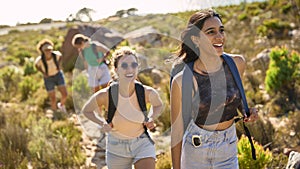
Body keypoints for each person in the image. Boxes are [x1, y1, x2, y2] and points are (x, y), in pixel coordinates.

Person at [170, 9, 259, 169]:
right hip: (196, 149)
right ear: (196, 39)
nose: (220, 37)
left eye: (221, 30)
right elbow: (176, 132)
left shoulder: (237, 64)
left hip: (228, 146)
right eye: (211, 32)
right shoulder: (183, 80)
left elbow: (234, 96)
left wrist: (248, 111)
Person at [81, 46, 163, 169]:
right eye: (124, 66)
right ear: (116, 70)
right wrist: (102, 123)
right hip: (116, 147)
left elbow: (158, 105)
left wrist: (151, 117)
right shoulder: (106, 95)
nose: (130, 69)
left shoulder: (145, 92)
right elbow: (86, 110)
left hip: (142, 143)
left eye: (134, 65)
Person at [35, 39, 68, 113]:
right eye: (46, 50)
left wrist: (59, 65)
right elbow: (36, 65)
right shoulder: (40, 60)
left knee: (65, 94)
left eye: (49, 49)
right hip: (48, 78)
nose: (48, 51)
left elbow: (61, 56)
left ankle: (61, 105)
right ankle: (55, 113)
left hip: (58, 75)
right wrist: (43, 73)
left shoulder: (56, 55)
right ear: (42, 51)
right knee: (53, 98)